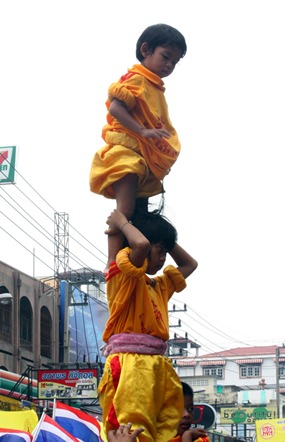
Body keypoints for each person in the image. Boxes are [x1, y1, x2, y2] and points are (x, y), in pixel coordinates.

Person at [89, 23, 187, 271]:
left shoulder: (153, 86)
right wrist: (143, 131)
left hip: (140, 158)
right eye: (166, 57)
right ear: (146, 49)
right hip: (126, 154)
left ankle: (133, 260)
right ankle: (112, 262)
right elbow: (116, 108)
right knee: (124, 212)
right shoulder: (137, 79)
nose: (169, 66)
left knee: (136, 216)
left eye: (174, 62)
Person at [98, 208, 198, 441]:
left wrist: (165, 239)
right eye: (160, 250)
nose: (163, 258)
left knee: (164, 430)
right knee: (133, 429)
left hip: (158, 367)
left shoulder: (159, 286)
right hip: (131, 365)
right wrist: (122, 222)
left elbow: (190, 264)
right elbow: (141, 245)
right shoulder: (123, 277)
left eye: (165, 251)